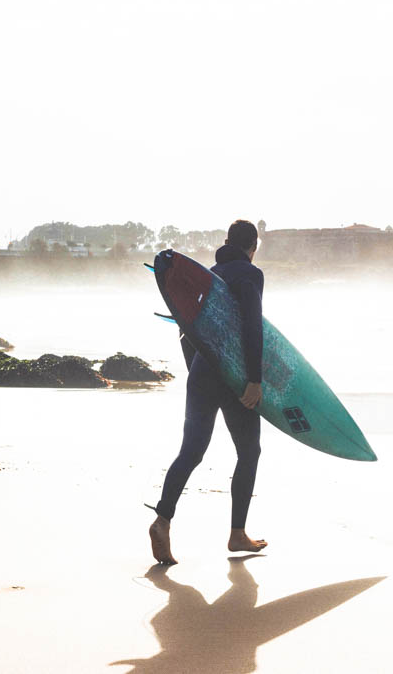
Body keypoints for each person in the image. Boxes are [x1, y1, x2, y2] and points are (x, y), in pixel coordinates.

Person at [149, 220, 268, 565]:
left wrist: (198, 373)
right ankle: (236, 534)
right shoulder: (250, 275)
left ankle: (162, 520)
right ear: (253, 247)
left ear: (226, 242)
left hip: (202, 371)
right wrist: (255, 379)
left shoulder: (209, 273)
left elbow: (188, 331)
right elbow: (252, 325)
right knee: (249, 451)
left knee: (191, 452)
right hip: (235, 377)